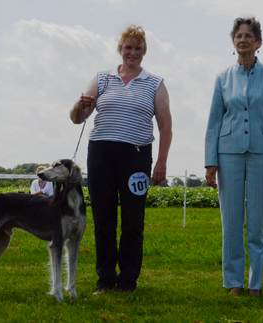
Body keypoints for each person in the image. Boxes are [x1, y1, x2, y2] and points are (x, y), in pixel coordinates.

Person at [70, 24, 172, 295]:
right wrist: (77, 107)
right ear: (120, 50)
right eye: (128, 48)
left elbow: (165, 127)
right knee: (103, 220)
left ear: (144, 52)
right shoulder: (102, 78)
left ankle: (128, 281)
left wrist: (160, 162)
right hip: (101, 154)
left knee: (132, 221)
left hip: (136, 157)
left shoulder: (155, 83)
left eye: (138, 48)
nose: (132, 53)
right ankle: (105, 279)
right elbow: (78, 117)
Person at [205, 16, 263, 297]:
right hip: (228, 153)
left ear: (259, 42)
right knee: (231, 222)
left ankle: (255, 283)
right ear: (233, 41)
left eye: (248, 36)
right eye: (239, 36)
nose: (243, 40)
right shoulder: (222, 78)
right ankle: (234, 282)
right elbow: (214, 122)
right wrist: (210, 162)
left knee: (258, 223)